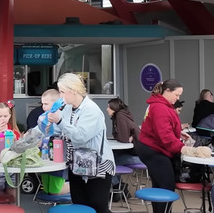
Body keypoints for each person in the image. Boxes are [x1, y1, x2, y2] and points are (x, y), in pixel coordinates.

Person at [48, 73, 115, 213]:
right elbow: (61, 130)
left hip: (98, 166)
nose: (60, 96)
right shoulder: (67, 108)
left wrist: (60, 121)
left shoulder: (91, 110)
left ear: (73, 90)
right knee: (79, 205)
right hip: (76, 164)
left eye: (62, 92)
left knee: (98, 207)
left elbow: (80, 136)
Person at [137, 79, 188, 213]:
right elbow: (165, 136)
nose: (178, 98)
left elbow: (161, 128)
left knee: (160, 186)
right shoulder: (160, 107)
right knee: (166, 188)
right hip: (155, 150)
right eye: (176, 95)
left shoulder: (158, 104)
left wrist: (177, 132)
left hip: (150, 148)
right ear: (167, 91)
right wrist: (183, 148)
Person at [37, 89, 70, 195]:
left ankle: (77, 187)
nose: (43, 106)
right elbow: (38, 130)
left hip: (58, 155)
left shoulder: (62, 116)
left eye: (46, 104)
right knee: (47, 187)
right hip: (46, 155)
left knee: (56, 189)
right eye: (42, 104)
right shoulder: (44, 117)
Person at [106, 98, 141, 190]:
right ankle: (118, 186)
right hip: (136, 152)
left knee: (111, 161)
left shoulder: (120, 116)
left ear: (114, 107)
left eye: (109, 107)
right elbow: (118, 136)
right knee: (112, 156)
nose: (107, 109)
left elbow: (123, 139)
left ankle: (117, 187)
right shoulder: (121, 116)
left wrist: (122, 137)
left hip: (141, 157)